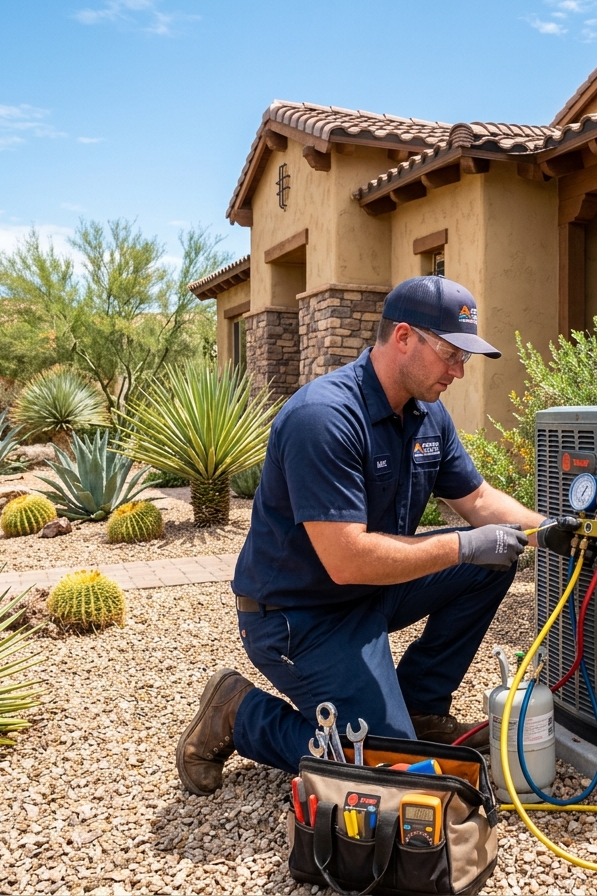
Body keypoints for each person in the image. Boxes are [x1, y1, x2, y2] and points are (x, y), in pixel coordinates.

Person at [175, 275, 574, 795]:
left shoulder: (427, 415)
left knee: (488, 562)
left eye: (464, 358)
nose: (458, 370)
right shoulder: (324, 417)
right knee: (386, 767)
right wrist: (462, 545)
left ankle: (420, 708)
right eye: (451, 354)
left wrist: (550, 531)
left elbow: (477, 500)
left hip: (370, 593)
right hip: (300, 617)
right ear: (404, 337)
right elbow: (348, 560)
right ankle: (238, 712)